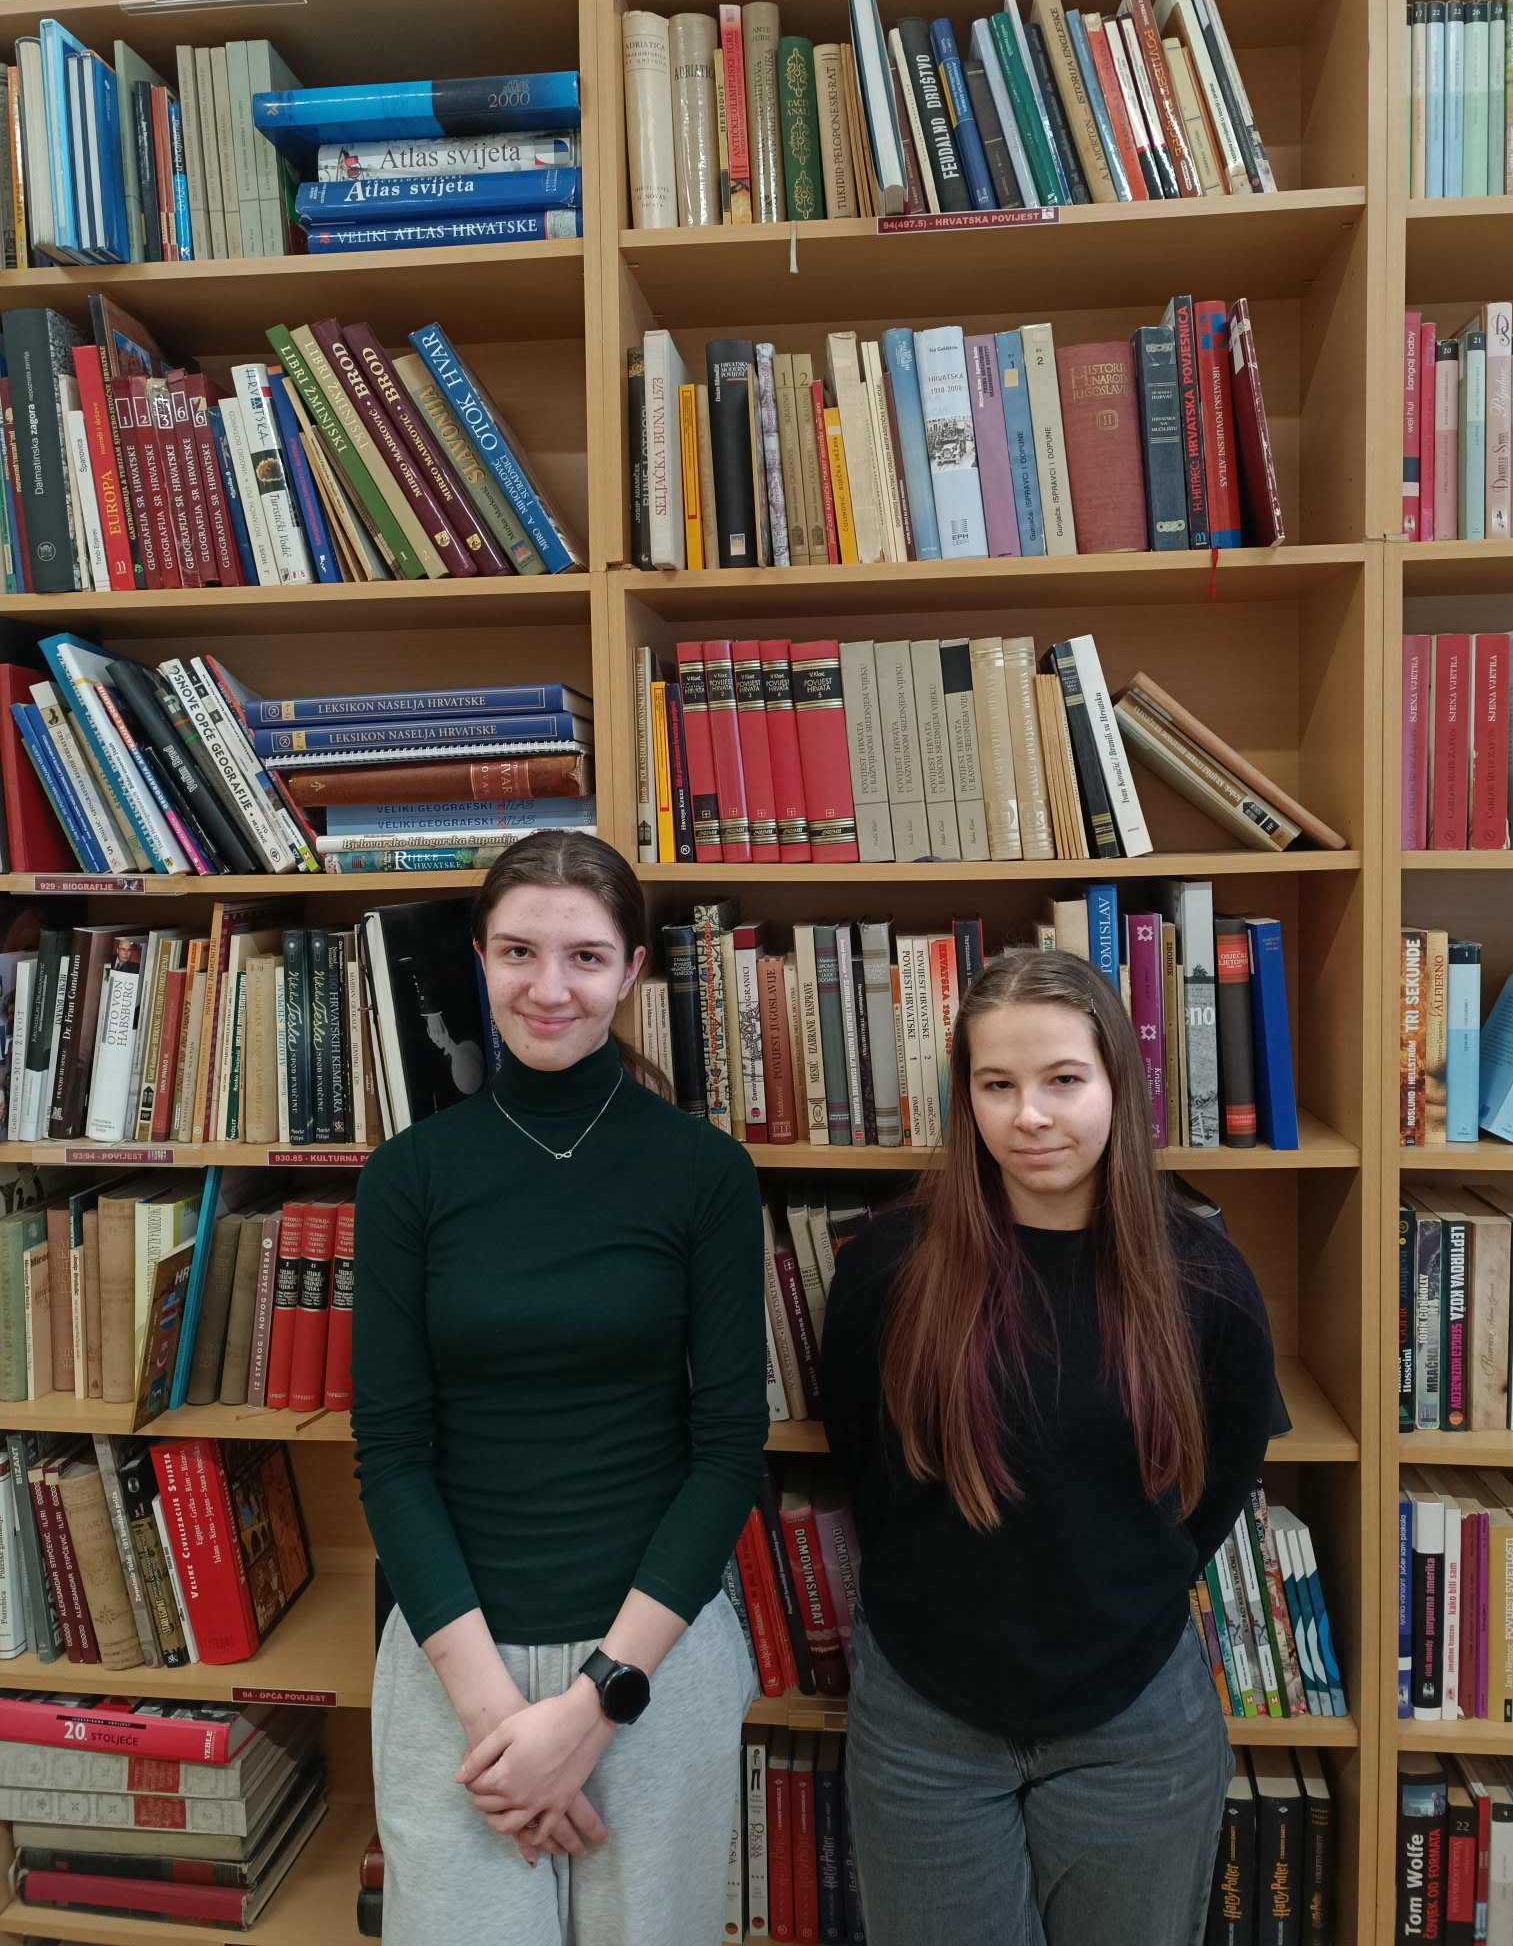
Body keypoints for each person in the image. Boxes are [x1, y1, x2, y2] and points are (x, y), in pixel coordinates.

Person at [353, 832, 766, 1946]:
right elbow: (390, 1455)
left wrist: (595, 1704)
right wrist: (501, 1722)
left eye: (584, 956)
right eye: (518, 952)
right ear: (481, 959)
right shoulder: (408, 1177)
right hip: (453, 1665)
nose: (549, 987)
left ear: (632, 970)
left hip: (652, 1662)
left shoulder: (706, 1173)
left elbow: (730, 1449)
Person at [820, 946, 1275, 1946]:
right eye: (997, 1084)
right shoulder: (886, 1270)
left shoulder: (1204, 1277)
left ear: (1118, 1083)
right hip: (925, 1720)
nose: (1029, 1115)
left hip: (1135, 1718)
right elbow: (861, 1455)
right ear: (966, 1098)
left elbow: (1223, 1475)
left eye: (1064, 1079)